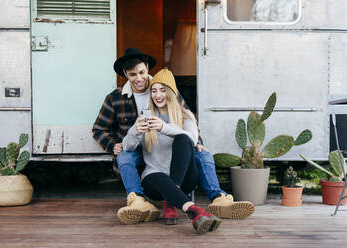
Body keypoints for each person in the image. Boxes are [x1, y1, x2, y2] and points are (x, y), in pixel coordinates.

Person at [92, 48, 254, 225]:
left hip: (170, 148)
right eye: (133, 75)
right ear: (125, 74)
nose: (139, 78)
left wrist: (195, 142)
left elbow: (185, 123)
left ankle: (219, 198)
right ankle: (138, 201)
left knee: (201, 152)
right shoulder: (116, 97)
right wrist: (115, 143)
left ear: (147, 69)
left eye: (142, 73)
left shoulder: (165, 86)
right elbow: (100, 129)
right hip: (141, 148)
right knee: (124, 153)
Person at [122, 69, 221, 234]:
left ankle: (172, 199)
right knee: (159, 177)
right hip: (155, 180)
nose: (158, 95)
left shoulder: (186, 115)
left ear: (171, 93)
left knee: (183, 138)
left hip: (184, 179)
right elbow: (127, 147)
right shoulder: (144, 118)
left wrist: (164, 127)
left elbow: (192, 139)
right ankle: (194, 211)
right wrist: (135, 131)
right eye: (154, 90)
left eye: (162, 90)